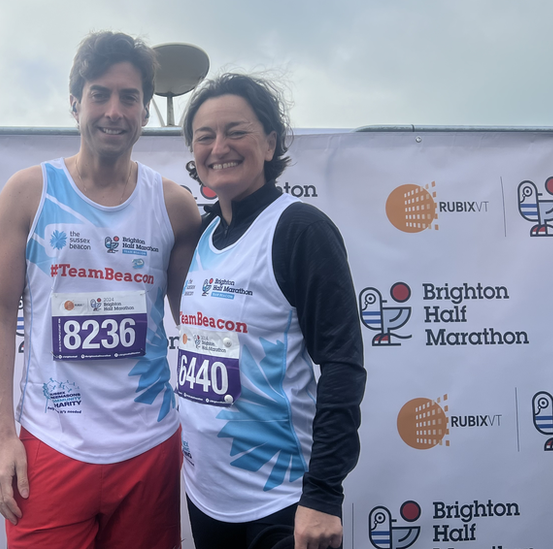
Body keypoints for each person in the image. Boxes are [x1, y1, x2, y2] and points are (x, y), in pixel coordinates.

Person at [0, 31, 201, 548]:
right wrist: (3, 436)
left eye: (129, 97)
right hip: (50, 449)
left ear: (145, 111)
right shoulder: (28, 193)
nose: (114, 110)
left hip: (150, 447)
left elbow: (199, 324)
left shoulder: (174, 205)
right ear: (76, 102)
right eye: (100, 93)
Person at [176, 73, 366, 549]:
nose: (219, 146)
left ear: (269, 143)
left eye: (236, 131)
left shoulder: (300, 229)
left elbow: (342, 367)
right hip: (206, 498)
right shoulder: (198, 234)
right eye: (205, 136)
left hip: (281, 503)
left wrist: (323, 495)